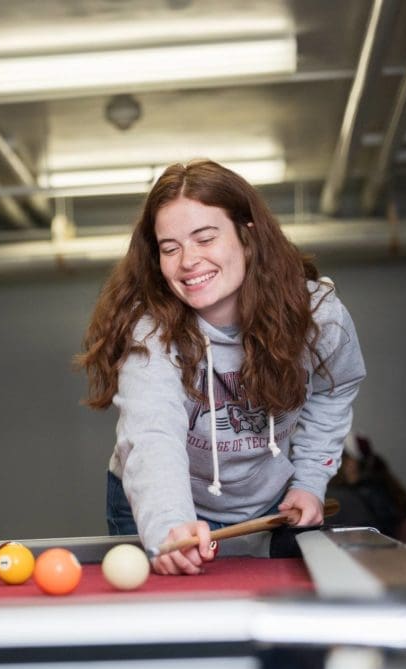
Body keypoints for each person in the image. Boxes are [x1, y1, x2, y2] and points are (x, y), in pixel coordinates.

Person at [77, 160, 366, 575]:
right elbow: (152, 433)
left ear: (247, 237)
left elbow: (333, 392)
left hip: (271, 504)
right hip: (163, 506)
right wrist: (168, 523)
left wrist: (309, 482)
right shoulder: (149, 332)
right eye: (170, 247)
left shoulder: (318, 315)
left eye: (205, 238)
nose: (188, 261)